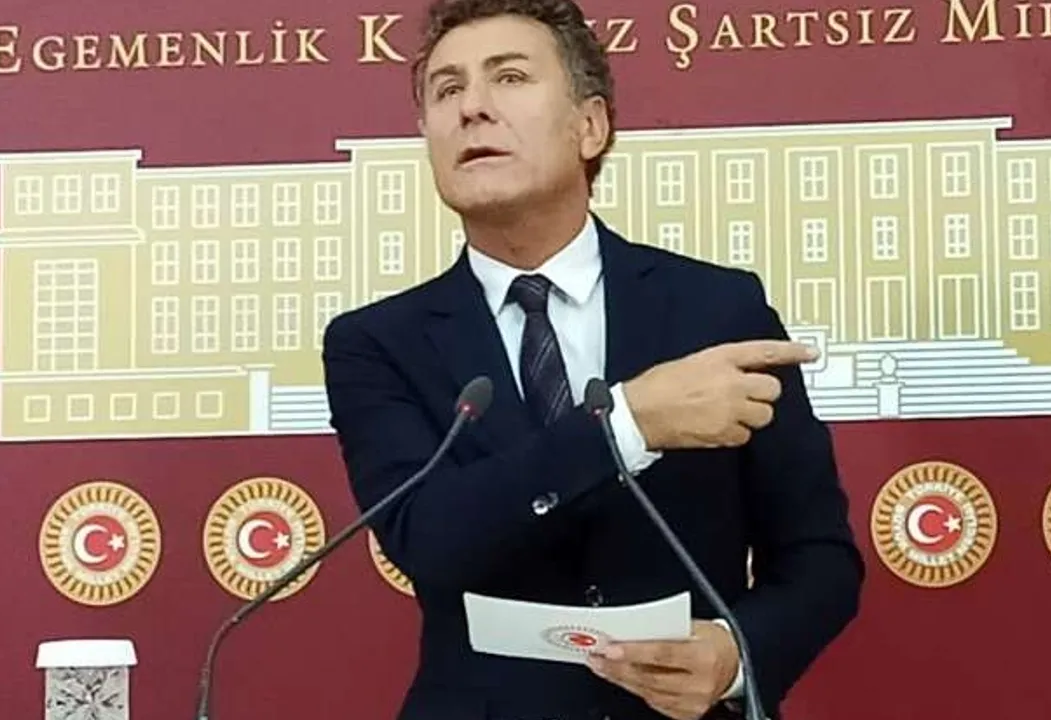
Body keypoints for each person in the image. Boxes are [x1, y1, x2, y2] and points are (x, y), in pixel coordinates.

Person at [321, 0, 864, 718]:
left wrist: (737, 656)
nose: (472, 108)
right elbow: (427, 537)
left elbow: (819, 556)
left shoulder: (718, 310)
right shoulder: (377, 342)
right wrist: (628, 424)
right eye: (446, 90)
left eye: (509, 77)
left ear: (590, 126)